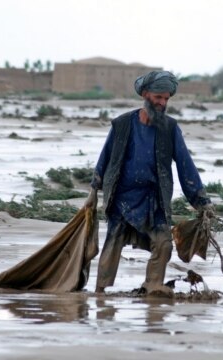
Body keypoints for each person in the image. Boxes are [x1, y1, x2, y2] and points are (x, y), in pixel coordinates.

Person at [84, 70, 214, 295]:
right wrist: (94, 189)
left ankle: (152, 286)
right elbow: (105, 157)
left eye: (166, 99)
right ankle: (100, 294)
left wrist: (201, 201)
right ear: (145, 95)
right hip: (122, 198)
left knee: (163, 244)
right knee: (111, 246)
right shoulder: (122, 124)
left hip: (154, 200)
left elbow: (186, 166)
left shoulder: (170, 128)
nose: (163, 103)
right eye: (158, 98)